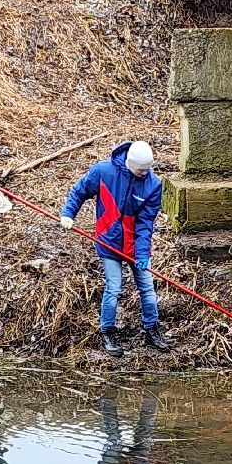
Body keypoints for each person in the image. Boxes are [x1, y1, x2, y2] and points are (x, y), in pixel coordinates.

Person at [60, 140, 171, 356]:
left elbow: (145, 224)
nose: (143, 173)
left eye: (146, 169)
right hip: (108, 240)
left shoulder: (153, 185)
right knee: (114, 287)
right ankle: (108, 331)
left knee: (147, 288)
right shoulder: (103, 171)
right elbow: (79, 192)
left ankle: (152, 329)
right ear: (129, 162)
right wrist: (67, 215)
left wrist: (141, 254)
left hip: (134, 244)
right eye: (140, 169)